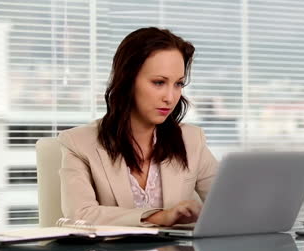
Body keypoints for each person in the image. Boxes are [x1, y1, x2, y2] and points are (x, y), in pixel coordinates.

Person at [58, 27, 218, 227]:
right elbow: (79, 216)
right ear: (127, 81)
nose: (170, 97)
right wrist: (157, 217)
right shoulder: (78, 144)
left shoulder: (192, 140)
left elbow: (230, 204)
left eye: (178, 84)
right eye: (159, 82)